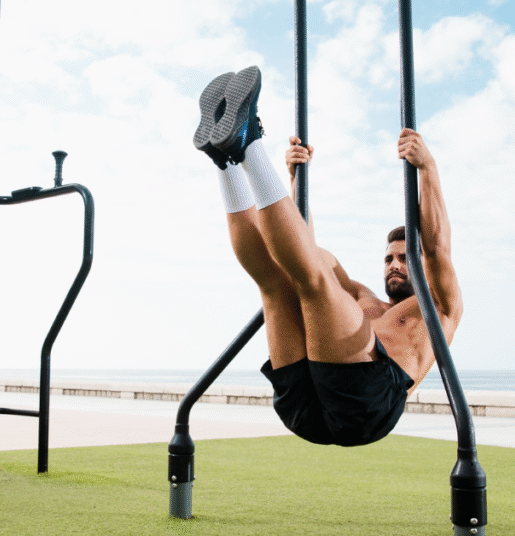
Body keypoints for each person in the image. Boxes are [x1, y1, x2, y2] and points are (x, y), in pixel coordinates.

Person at [194, 66, 462, 447]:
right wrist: (294, 179)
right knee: (280, 282)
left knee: (313, 282)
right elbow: (303, 251)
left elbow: (437, 248)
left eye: (405, 258)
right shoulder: (363, 299)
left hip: (367, 409)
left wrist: (428, 169)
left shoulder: (438, 307)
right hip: (305, 408)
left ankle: (249, 144)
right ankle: (228, 162)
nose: (396, 265)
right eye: (389, 259)